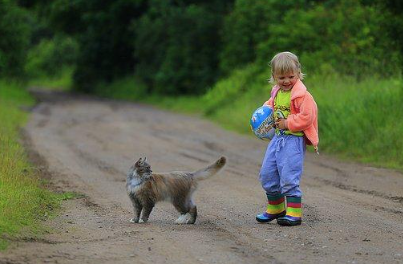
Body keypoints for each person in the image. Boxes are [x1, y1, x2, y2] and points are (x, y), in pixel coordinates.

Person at [256, 51, 319, 226]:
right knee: (267, 173)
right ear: (274, 77)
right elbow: (271, 104)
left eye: (290, 76)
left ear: (298, 73)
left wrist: (287, 123)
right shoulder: (277, 91)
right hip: (277, 140)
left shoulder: (303, 96)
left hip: (293, 141)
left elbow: (307, 117)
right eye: (281, 77)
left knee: (289, 175)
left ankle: (294, 213)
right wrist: (263, 112)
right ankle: (276, 208)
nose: (286, 81)